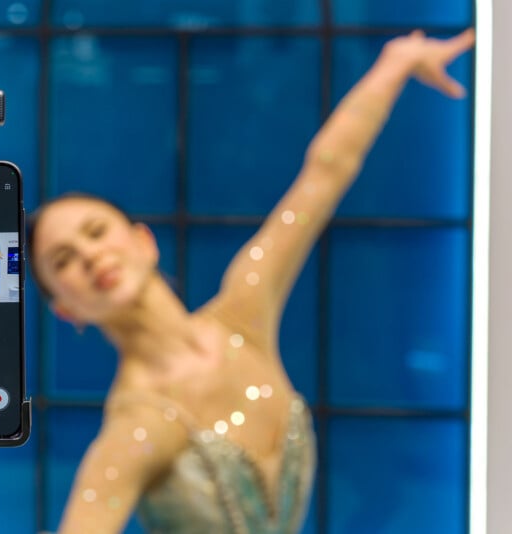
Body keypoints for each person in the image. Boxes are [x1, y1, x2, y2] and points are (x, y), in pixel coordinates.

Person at [27, 29, 475, 534]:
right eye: (63, 260)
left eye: (96, 232)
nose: (90, 256)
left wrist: (395, 65)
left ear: (143, 241)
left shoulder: (246, 315)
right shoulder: (137, 429)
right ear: (65, 310)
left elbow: (323, 176)